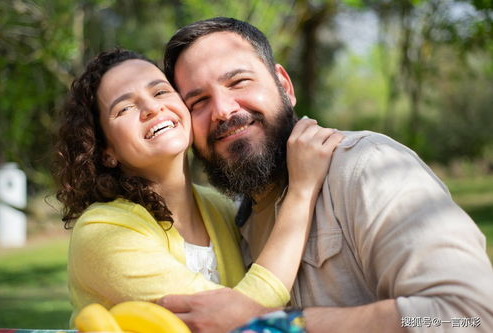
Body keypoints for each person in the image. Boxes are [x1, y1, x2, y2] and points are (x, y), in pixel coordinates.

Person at [158, 17, 493, 332]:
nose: (222, 110)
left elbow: (471, 317)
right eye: (198, 102)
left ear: (285, 86)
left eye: (238, 81)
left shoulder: (366, 167)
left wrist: (276, 323)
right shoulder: (235, 224)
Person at [54, 48, 343, 326]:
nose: (152, 108)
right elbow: (233, 322)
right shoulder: (103, 232)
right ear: (106, 151)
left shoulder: (220, 208)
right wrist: (302, 192)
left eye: (160, 91)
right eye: (125, 108)